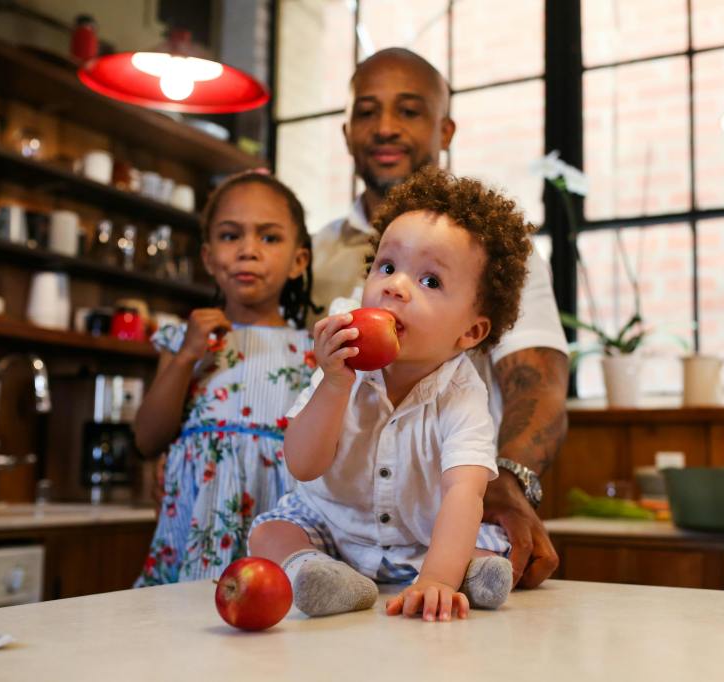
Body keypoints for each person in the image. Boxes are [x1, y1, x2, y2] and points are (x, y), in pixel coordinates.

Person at [311, 48, 569, 588]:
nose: (384, 128)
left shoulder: (492, 254)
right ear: (346, 131)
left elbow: (537, 380)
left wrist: (506, 483)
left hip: (440, 517)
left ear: (445, 129)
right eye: (367, 111)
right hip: (337, 527)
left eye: (408, 110)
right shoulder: (312, 253)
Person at [249, 167, 532, 621]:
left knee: (481, 533)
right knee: (272, 531)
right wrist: (334, 385)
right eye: (387, 266)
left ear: (470, 331)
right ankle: (314, 572)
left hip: (422, 542)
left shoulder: (461, 396)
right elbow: (302, 464)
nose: (394, 286)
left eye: (430, 281)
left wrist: (436, 579)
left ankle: (467, 570)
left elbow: (464, 492)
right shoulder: (342, 363)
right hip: (332, 528)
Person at [133, 170, 318, 586]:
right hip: (196, 527)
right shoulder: (184, 340)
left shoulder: (316, 348)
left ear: (298, 261)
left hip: (278, 517)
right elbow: (147, 439)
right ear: (207, 257)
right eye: (230, 236)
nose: (248, 251)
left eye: (269, 238)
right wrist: (187, 358)